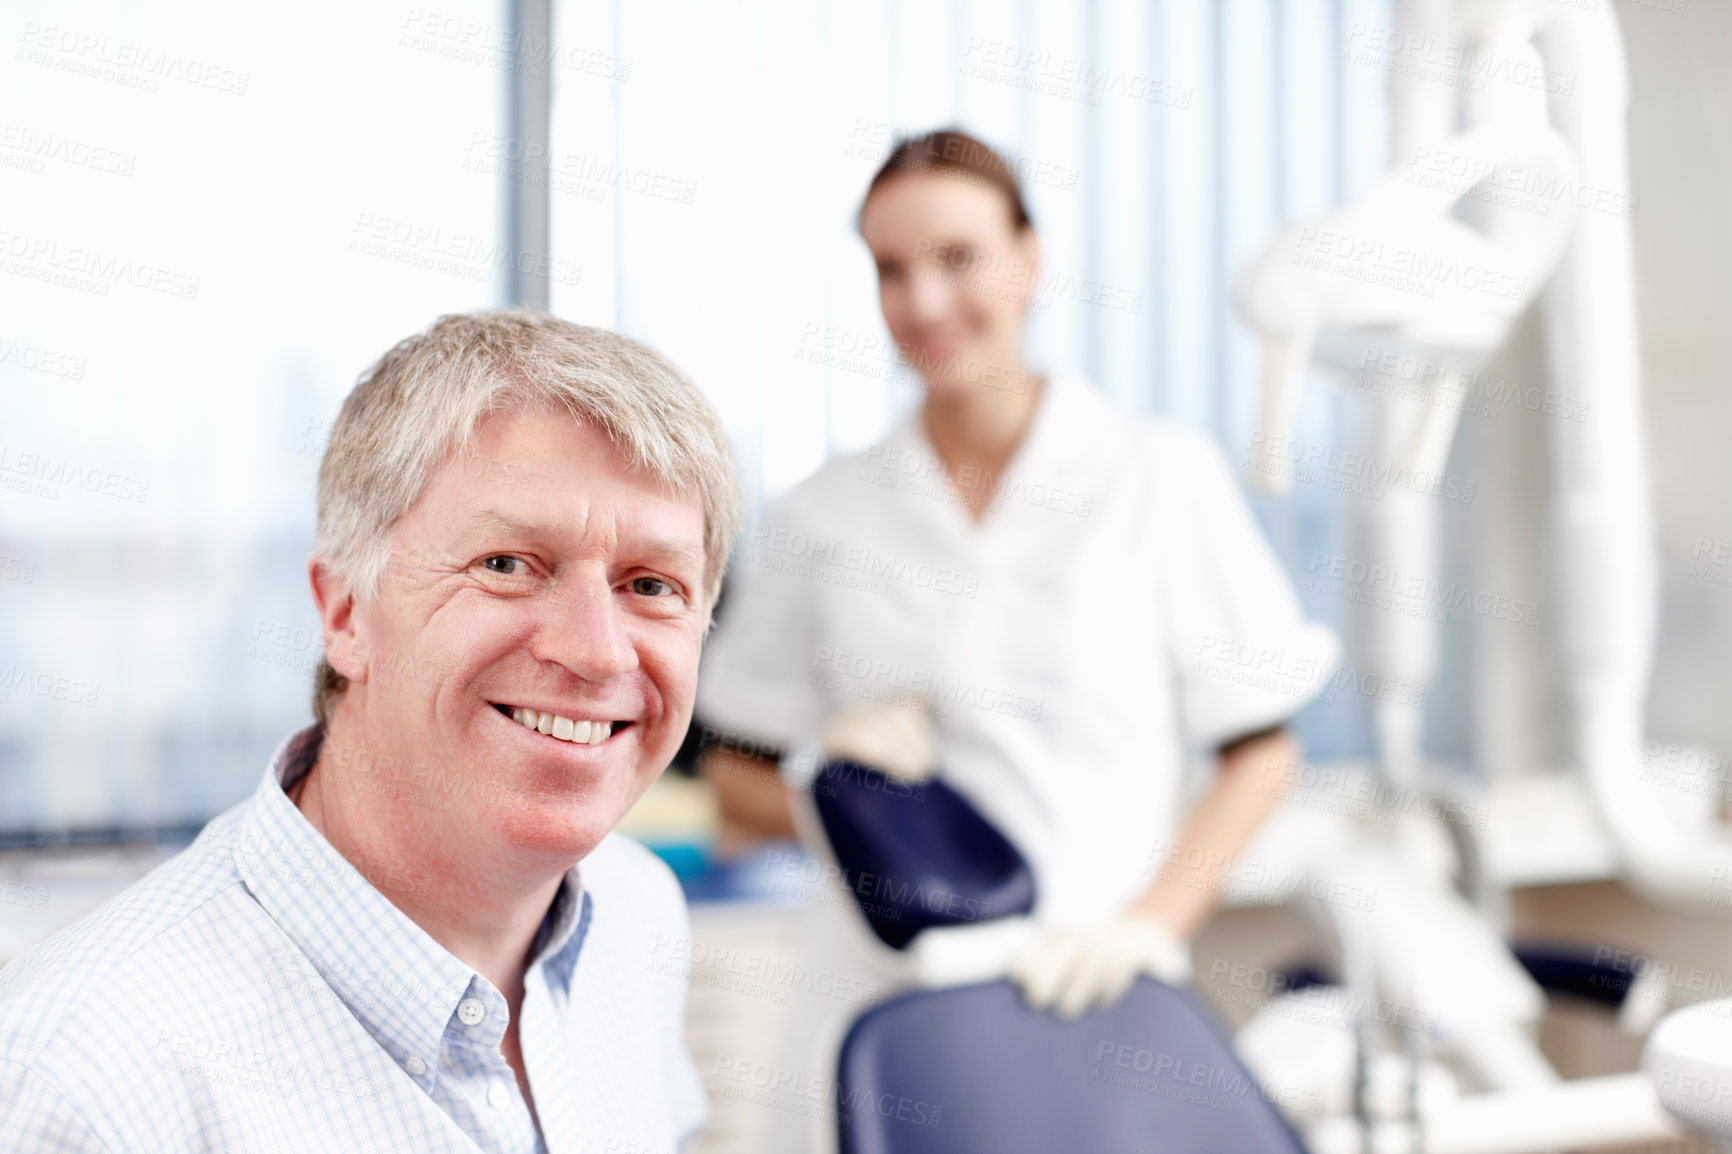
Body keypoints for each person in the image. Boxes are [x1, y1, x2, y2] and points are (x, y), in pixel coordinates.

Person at [694, 129, 1340, 1152]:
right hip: (870, 1003)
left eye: (957, 258)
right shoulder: (824, 514)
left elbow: (1260, 753)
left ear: (1029, 259)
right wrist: (831, 777)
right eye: (891, 270)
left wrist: (1146, 925)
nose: (924, 303)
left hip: (1090, 984)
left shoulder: (1155, 476)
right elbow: (733, 779)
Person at [0, 312, 740, 1152]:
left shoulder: (637, 911)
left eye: (651, 584)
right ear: (346, 612)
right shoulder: (77, 1083)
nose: (596, 650)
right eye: (505, 565)